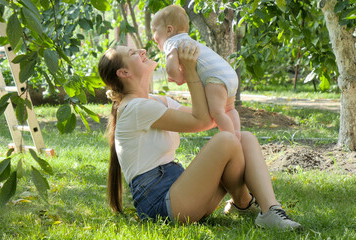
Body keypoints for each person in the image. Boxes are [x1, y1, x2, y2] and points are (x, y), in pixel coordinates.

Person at [98, 41, 302, 230]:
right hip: (161, 206)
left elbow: (211, 117)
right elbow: (201, 121)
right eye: (133, 53)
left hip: (181, 194)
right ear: (123, 72)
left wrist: (215, 76)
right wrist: (190, 70)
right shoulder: (135, 108)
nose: (142, 51)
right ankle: (246, 204)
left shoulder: (155, 101)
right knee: (226, 140)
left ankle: (266, 210)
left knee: (244, 137)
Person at [151, 5, 242, 140]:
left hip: (216, 79)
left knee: (217, 112)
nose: (153, 37)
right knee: (229, 109)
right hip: (229, 74)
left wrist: (179, 78)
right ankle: (237, 133)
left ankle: (231, 140)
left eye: (154, 31)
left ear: (169, 30)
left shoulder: (171, 42)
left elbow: (170, 68)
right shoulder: (188, 40)